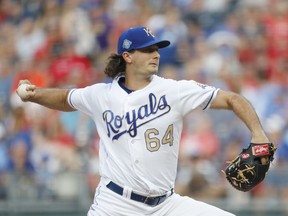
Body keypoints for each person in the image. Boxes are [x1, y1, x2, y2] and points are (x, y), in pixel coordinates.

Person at [17, 26, 271, 216]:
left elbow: (231, 99)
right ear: (127, 56)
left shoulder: (174, 90)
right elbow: (66, 98)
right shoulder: (100, 95)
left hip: (166, 205)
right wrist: (34, 94)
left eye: (157, 49)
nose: (155, 54)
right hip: (115, 204)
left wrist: (258, 133)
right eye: (148, 49)